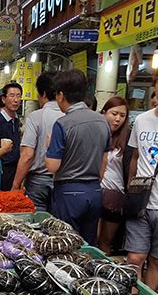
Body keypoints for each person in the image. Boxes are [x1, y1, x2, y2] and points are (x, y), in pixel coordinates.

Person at [45, 69, 111, 245]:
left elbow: (52, 166)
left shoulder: (62, 124)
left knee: (65, 245)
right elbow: (104, 160)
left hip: (69, 192)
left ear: (60, 95)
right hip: (95, 191)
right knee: (88, 245)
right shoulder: (102, 121)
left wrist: (48, 146)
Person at [124, 61, 158, 290]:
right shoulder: (141, 120)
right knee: (134, 259)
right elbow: (135, 157)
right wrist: (131, 188)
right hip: (141, 201)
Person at [12, 73, 63, 211]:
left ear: (43, 94)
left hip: (37, 182)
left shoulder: (35, 117)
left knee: (36, 223)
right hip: (62, 181)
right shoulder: (69, 117)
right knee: (57, 225)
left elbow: (27, 155)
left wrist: (16, 185)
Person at [97, 96, 130, 255]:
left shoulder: (127, 139)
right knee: (91, 239)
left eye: (122, 116)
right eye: (114, 113)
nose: (117, 119)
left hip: (115, 196)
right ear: (104, 112)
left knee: (105, 242)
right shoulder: (95, 133)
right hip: (95, 191)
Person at [0, 82, 22, 190]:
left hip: (16, 169)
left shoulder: (16, 120)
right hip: (3, 171)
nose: (16, 100)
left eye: (18, 96)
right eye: (12, 95)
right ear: (3, 99)